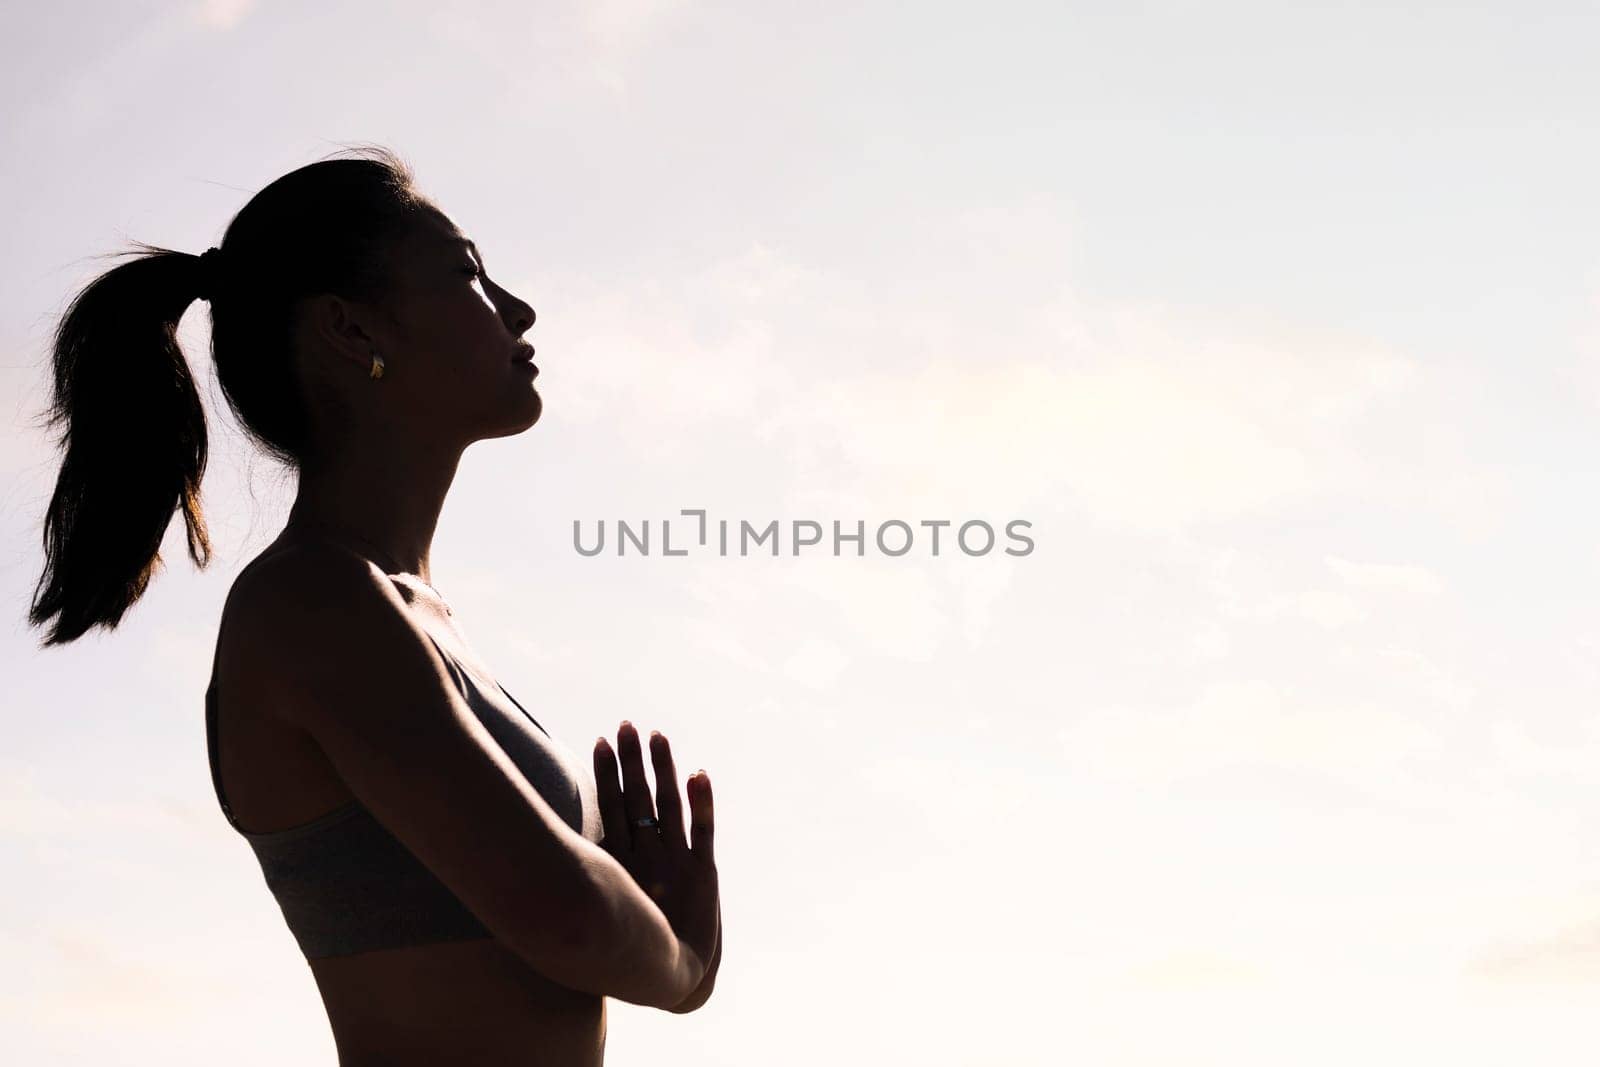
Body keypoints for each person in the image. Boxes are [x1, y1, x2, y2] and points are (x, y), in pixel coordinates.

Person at [26, 144, 722, 1065]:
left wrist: (644, 919)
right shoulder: (314, 603)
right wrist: (686, 962)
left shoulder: (400, 614)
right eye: (469, 275)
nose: (518, 310)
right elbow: (571, 923)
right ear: (353, 333)